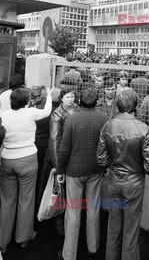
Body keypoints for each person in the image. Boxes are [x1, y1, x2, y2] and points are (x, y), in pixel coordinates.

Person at [97, 87, 149, 260]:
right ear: (135, 105)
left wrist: (114, 166)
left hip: (114, 182)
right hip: (134, 184)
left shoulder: (108, 125)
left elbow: (100, 159)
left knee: (113, 227)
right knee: (131, 231)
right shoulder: (143, 129)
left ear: (118, 104)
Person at [0, 87, 52, 254]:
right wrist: (49, 95)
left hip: (7, 159)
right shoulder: (31, 113)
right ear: (27, 101)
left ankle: (2, 241)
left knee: (7, 201)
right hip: (28, 160)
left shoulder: (4, 115)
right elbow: (47, 111)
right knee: (26, 199)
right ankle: (24, 237)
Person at [57, 89, 106, 260]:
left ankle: (69, 254)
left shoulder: (72, 118)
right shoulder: (103, 119)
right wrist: (104, 166)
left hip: (74, 171)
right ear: (96, 101)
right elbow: (105, 147)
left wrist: (61, 170)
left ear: (80, 100)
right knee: (93, 208)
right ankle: (93, 247)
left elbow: (64, 149)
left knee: (73, 211)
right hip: (95, 169)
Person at [47, 86, 80, 235]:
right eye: (68, 97)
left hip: (75, 154)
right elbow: (54, 140)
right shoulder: (56, 114)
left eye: (72, 96)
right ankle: (59, 222)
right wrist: (57, 165)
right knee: (60, 190)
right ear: (61, 99)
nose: (71, 99)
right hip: (62, 156)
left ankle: (71, 220)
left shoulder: (77, 109)